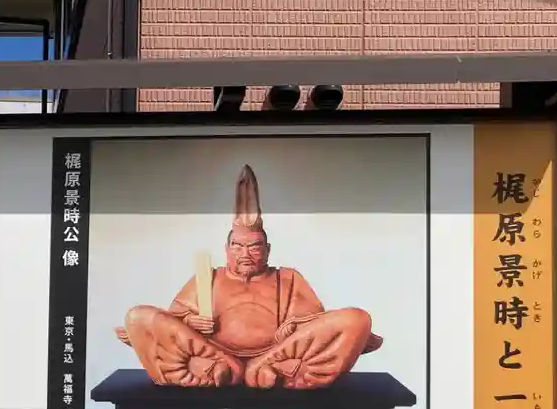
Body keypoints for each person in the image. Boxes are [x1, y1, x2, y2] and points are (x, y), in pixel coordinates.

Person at [115, 164, 382, 389]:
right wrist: (190, 321)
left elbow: (316, 324)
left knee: (357, 319)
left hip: (275, 352)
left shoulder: (287, 278)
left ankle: (263, 366)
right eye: (238, 247)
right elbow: (173, 323)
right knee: (139, 317)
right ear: (226, 249)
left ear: (267, 250)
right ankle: (223, 367)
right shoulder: (208, 277)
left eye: (254, 247)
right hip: (216, 352)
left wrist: (294, 326)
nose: (246, 254)